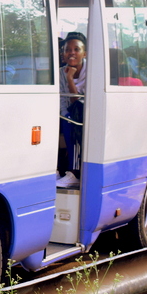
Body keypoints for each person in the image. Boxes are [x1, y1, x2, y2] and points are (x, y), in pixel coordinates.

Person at [57, 32, 87, 188]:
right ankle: (55, 169)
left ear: (84, 53)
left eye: (76, 49)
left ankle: (74, 172)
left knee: (74, 119)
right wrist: (64, 114)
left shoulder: (92, 71)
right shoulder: (61, 72)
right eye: (68, 50)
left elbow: (77, 101)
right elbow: (63, 99)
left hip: (87, 113)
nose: (72, 53)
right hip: (70, 112)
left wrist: (70, 79)